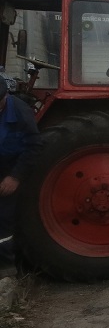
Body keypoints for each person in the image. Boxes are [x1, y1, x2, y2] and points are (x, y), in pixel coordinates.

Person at [0, 79, 42, 265]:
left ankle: (6, 267)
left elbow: (33, 147)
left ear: (5, 96)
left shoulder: (21, 113)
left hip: (11, 166)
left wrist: (15, 177)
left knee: (3, 218)